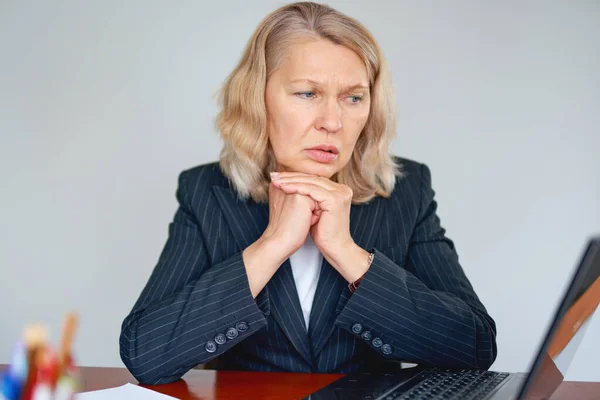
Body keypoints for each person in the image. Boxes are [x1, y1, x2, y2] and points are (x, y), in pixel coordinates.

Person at [119, 1, 497, 385]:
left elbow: (476, 346)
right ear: (257, 98)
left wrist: (348, 253)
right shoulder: (206, 193)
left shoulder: (404, 191)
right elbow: (146, 355)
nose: (332, 122)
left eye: (353, 97)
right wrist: (272, 244)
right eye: (306, 93)